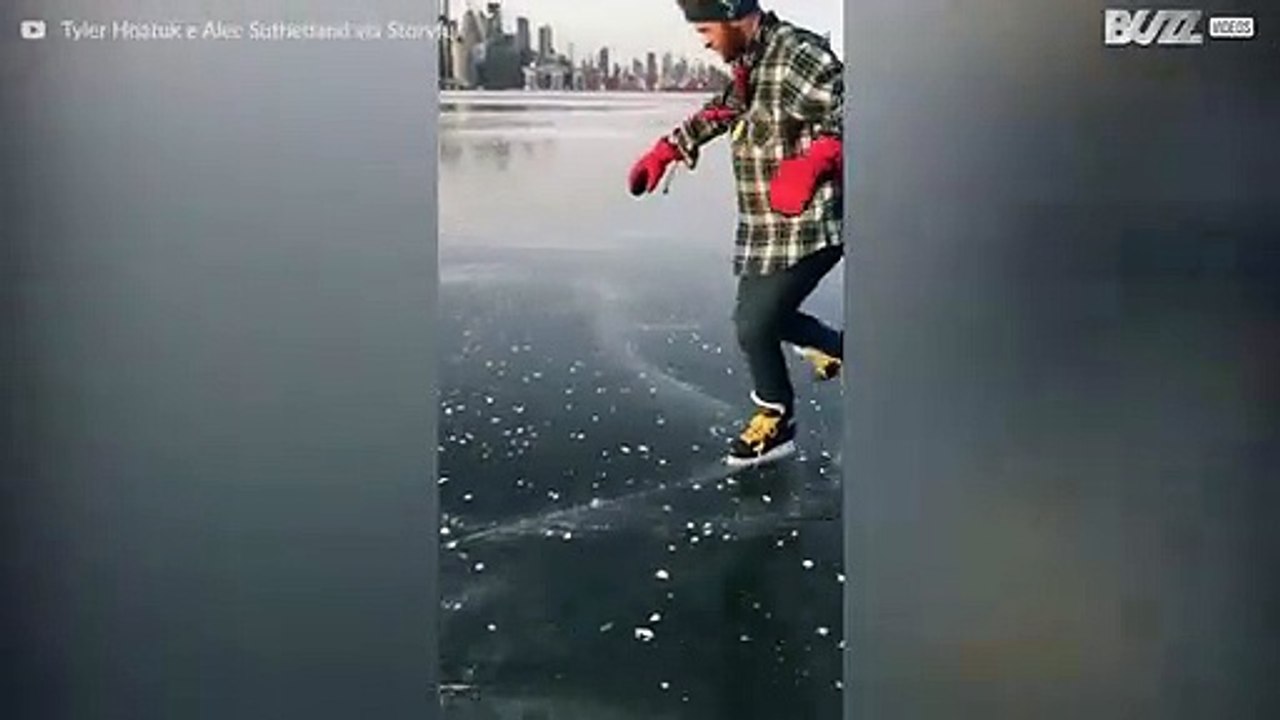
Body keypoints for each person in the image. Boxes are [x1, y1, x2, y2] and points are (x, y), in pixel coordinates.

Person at [628, 0, 845, 467]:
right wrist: (667, 150)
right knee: (759, 316)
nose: (702, 40)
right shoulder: (754, 59)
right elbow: (725, 109)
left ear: (733, 14)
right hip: (767, 226)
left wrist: (817, 159)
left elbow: (851, 107)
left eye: (706, 28)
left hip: (811, 224)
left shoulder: (795, 55)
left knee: (754, 324)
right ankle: (834, 348)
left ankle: (777, 420)